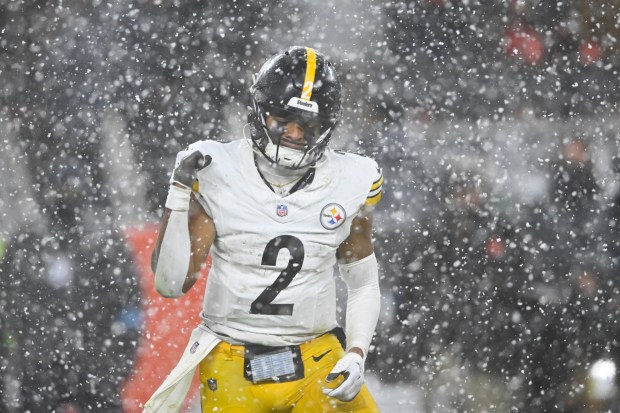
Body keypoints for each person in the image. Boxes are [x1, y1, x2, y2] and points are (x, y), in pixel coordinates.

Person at [146, 46, 383, 412]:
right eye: (281, 120)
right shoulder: (217, 169)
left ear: (326, 129)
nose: (291, 134)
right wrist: (178, 195)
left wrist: (355, 352)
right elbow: (170, 284)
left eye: (306, 127)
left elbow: (363, 282)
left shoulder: (351, 179)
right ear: (259, 112)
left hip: (316, 356)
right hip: (230, 359)